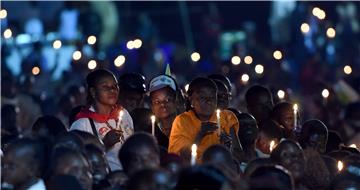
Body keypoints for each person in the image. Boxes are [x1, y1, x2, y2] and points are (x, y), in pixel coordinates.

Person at [70, 69, 134, 171]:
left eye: (115, 86)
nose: (112, 90)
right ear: (93, 92)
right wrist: (104, 144)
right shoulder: (82, 124)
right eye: (105, 87)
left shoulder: (124, 114)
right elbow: (77, 158)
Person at [168, 77, 240, 162]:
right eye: (202, 97)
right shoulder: (182, 121)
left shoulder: (226, 118)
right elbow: (182, 157)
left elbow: (239, 156)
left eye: (212, 97)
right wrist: (200, 135)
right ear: (191, 100)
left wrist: (227, 147)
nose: (209, 101)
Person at [148, 74, 180, 149]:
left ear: (176, 101)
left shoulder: (186, 127)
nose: (162, 104)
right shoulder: (148, 132)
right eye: (157, 102)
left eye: (167, 100)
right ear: (151, 106)